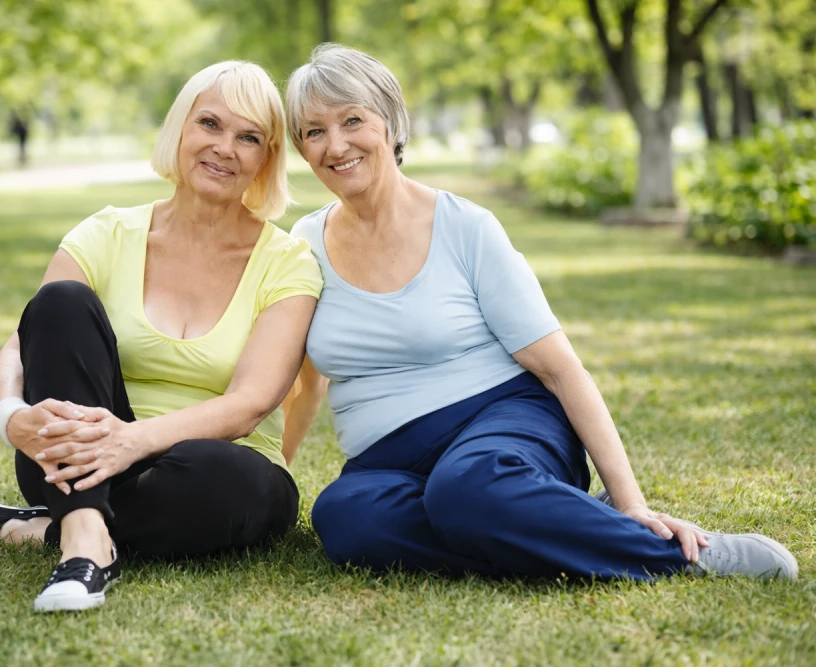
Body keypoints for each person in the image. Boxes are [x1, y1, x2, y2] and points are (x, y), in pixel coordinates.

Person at [281, 44, 798, 582]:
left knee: (466, 488)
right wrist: (280, 469)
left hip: (503, 425)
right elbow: (303, 380)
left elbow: (559, 368)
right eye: (314, 131)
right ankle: (546, 521)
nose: (335, 145)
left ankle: (677, 554)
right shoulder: (306, 242)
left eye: (352, 120)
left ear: (389, 122)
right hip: (388, 458)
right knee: (345, 517)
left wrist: (631, 502)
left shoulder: (465, 227)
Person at [0, 61, 323, 612]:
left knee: (235, 485)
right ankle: (86, 538)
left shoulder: (287, 261)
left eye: (248, 137)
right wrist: (11, 417)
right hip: (75, 451)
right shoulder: (107, 232)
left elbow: (250, 404)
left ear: (266, 158)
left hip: (212, 465)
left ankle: (36, 529)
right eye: (210, 124)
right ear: (180, 129)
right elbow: (23, 343)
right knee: (61, 302)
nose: (225, 147)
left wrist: (131, 441)